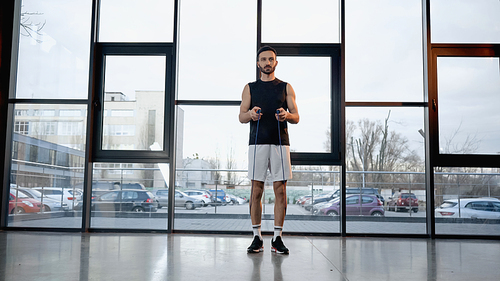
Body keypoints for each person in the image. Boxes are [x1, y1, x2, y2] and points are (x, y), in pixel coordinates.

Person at [239, 45, 299, 254]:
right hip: (257, 144)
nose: (266, 62)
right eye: (263, 59)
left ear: (275, 62)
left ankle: (277, 238)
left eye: (270, 59)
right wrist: (251, 115)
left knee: (280, 191)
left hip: (280, 144)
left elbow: (296, 117)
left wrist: (286, 115)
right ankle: (257, 237)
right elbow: (241, 116)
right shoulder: (250, 88)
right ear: (258, 63)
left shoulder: (286, 87)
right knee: (256, 190)